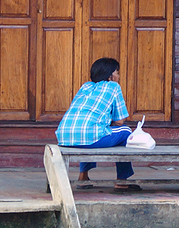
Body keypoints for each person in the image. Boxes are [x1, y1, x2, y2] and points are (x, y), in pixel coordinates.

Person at [55, 57, 138, 191]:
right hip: (88, 134)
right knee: (126, 131)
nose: (119, 76)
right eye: (117, 72)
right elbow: (120, 121)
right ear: (110, 76)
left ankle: (83, 176)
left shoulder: (85, 86)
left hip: (64, 136)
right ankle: (122, 180)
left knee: (90, 132)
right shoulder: (113, 87)